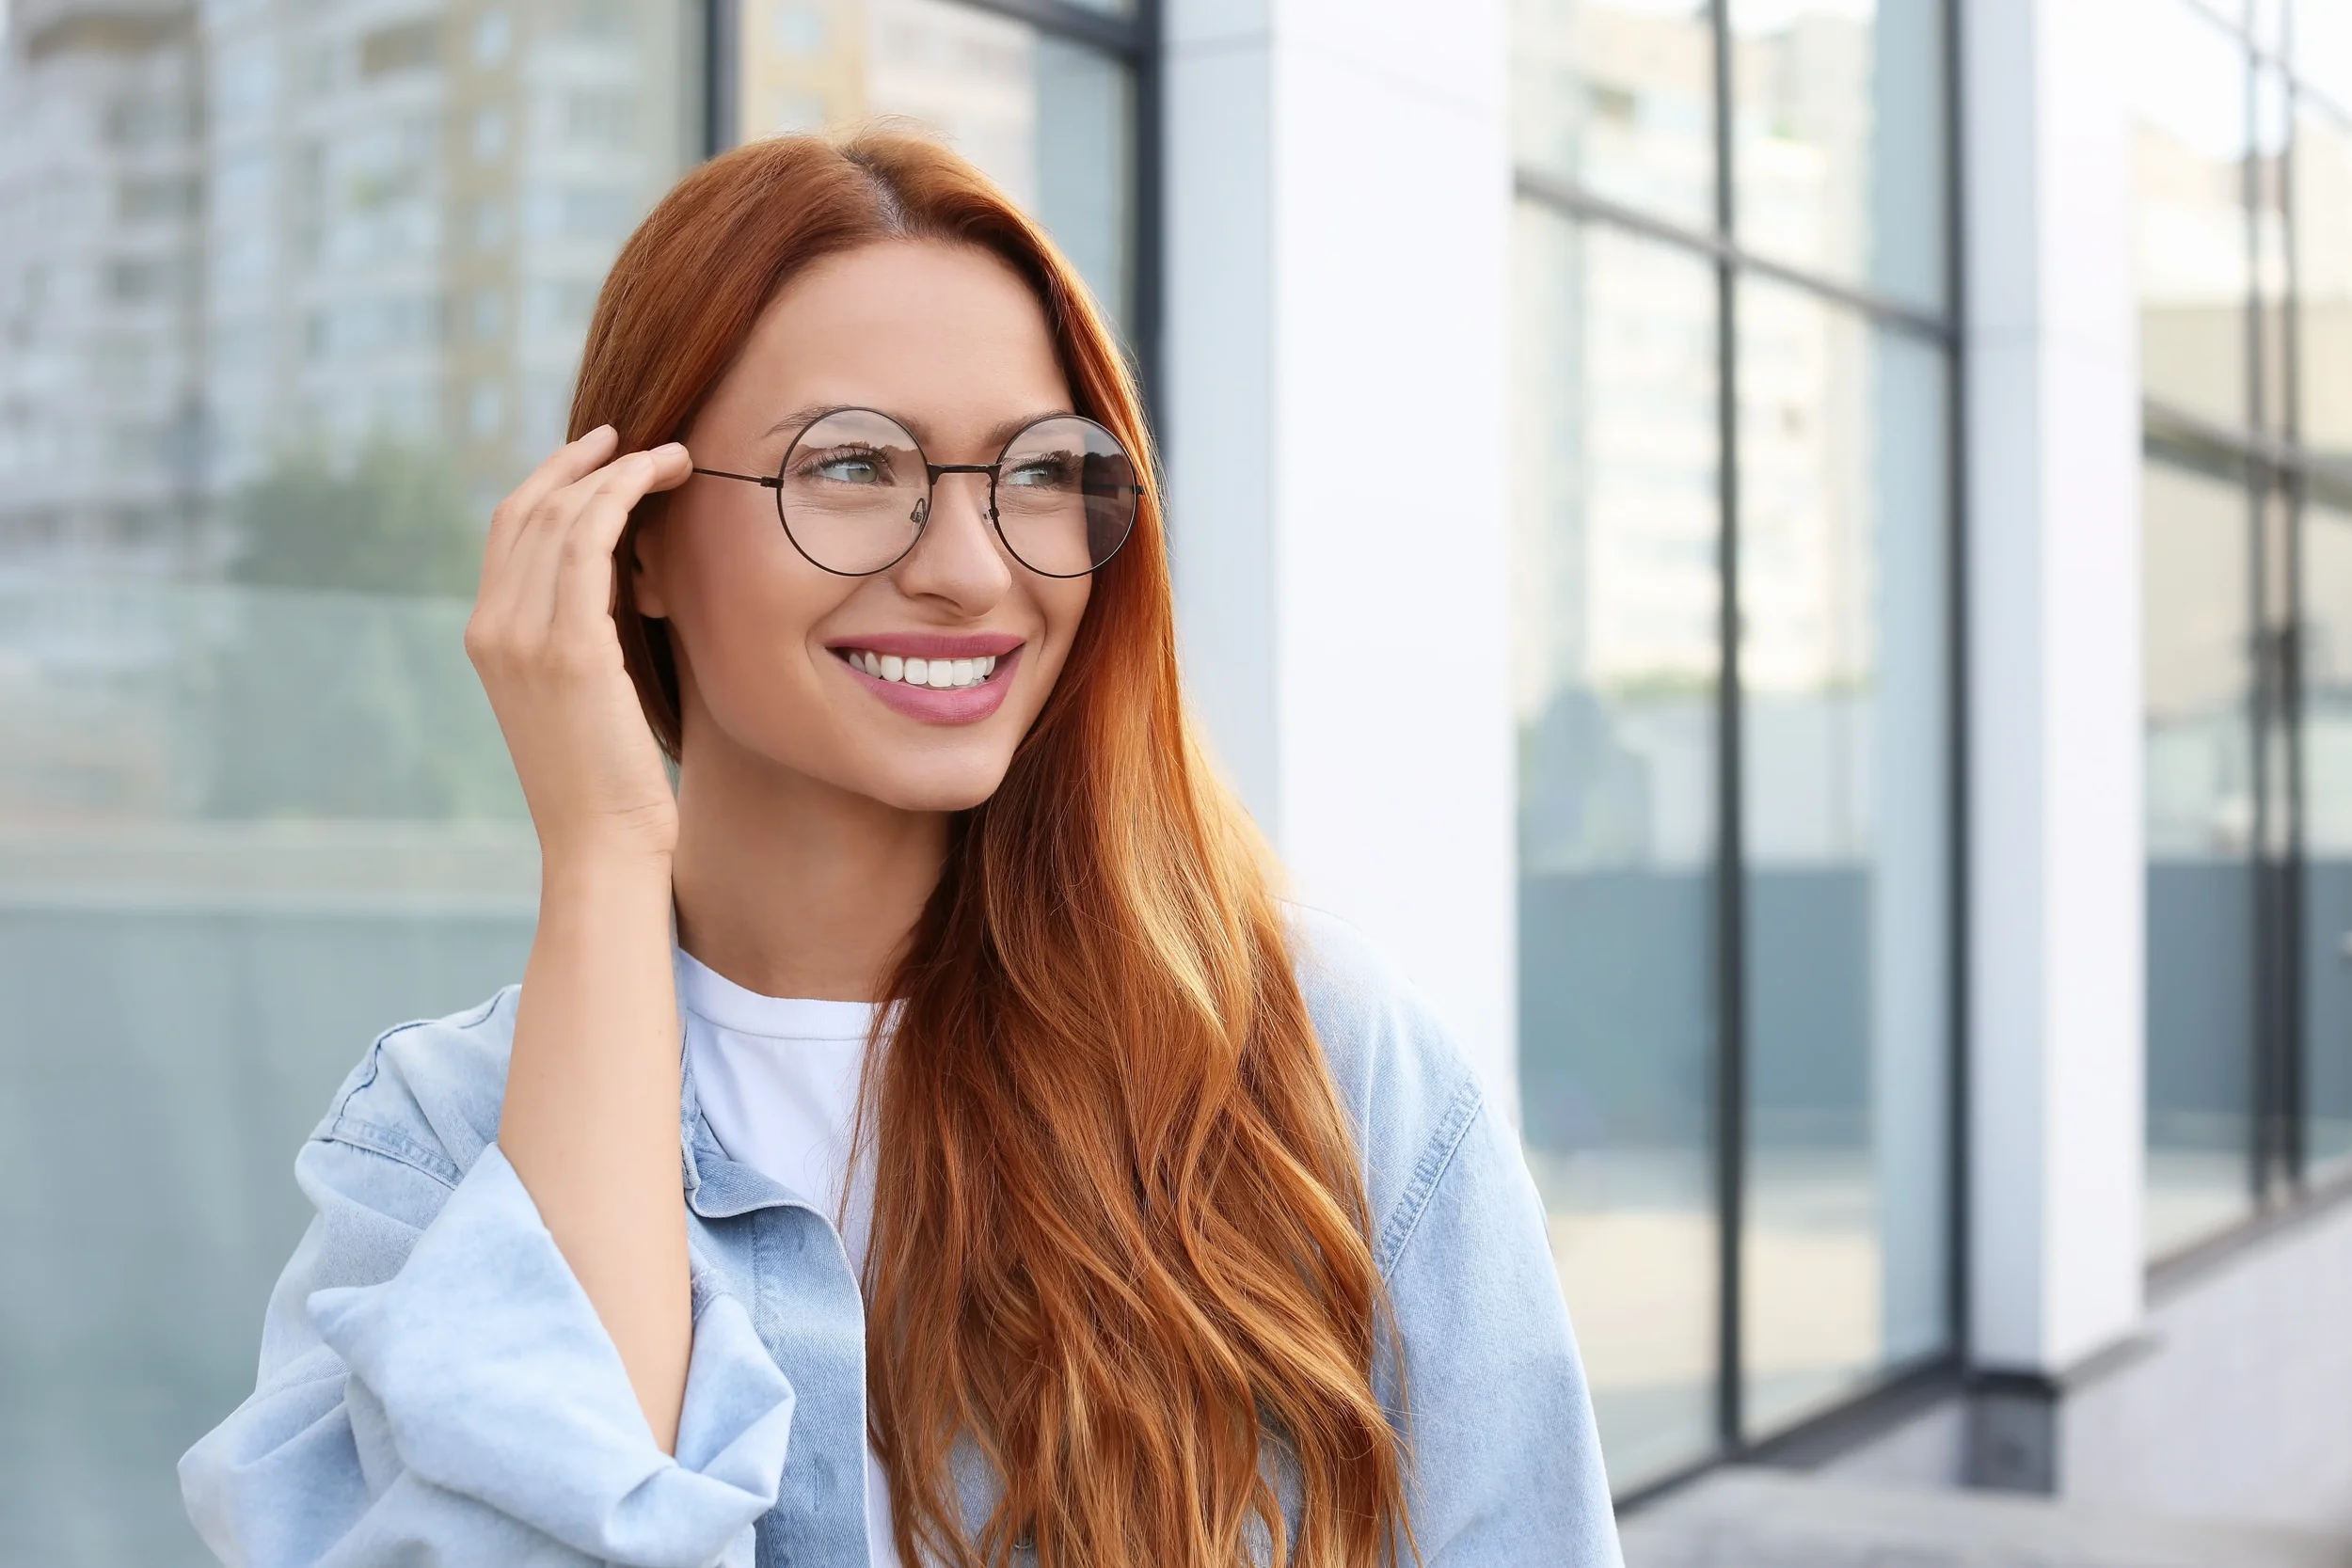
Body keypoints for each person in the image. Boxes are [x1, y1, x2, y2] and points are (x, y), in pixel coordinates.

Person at [178, 131, 1621, 1568]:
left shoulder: (1316, 1067)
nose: (974, 567)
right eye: (855, 464)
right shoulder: (439, 1137)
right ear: (633, 542)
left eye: (1039, 471)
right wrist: (605, 844)